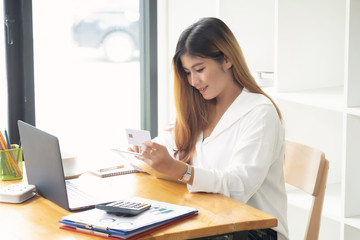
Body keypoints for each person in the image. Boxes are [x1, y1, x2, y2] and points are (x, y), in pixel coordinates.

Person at [130, 17, 288, 240]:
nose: (193, 81)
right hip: (210, 218)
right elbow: (168, 145)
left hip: (254, 230)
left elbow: (238, 187)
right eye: (187, 72)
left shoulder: (260, 113)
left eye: (200, 69)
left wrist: (179, 170)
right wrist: (147, 152)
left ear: (227, 60)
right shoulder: (198, 106)